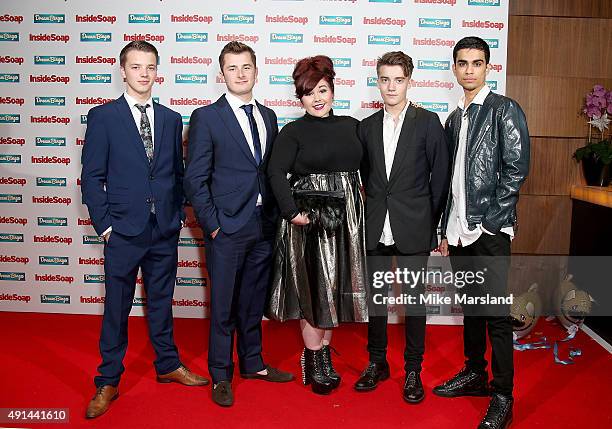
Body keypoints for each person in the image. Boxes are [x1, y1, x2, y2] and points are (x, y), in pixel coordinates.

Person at [81, 41, 208, 419]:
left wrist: (179, 213)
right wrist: (105, 226)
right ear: (123, 71)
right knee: (116, 309)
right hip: (122, 231)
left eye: (150, 67)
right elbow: (91, 178)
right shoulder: (103, 117)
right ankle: (107, 380)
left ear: (157, 71)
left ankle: (168, 363)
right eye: (136, 67)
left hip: (163, 230)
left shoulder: (170, 119)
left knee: (161, 303)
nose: (144, 74)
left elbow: (176, 173)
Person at [184, 41, 293, 408]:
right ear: (222, 74)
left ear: (256, 72)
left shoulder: (269, 116)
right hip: (226, 229)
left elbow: (271, 172)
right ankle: (220, 373)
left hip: (263, 225)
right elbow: (195, 179)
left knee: (252, 301)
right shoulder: (206, 117)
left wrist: (276, 217)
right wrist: (213, 225)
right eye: (232, 68)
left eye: (246, 67)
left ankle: (253, 363)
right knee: (224, 307)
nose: (240, 74)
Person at [435, 36, 530, 429]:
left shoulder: (504, 110)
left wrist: (491, 221)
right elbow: (448, 182)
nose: (469, 69)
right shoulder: (454, 118)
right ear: (455, 69)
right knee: (471, 308)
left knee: (495, 315)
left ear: (488, 67)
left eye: (477, 62)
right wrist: (445, 228)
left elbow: (516, 169)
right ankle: (475, 373)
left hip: (489, 230)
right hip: (458, 230)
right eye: (462, 63)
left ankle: (503, 394)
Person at [267, 55, 369, 395]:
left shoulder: (353, 126)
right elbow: (275, 174)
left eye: (322, 90)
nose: (317, 98)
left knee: (334, 288)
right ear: (300, 98)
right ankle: (313, 359)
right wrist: (291, 211)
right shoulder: (292, 132)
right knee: (313, 291)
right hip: (308, 223)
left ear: (332, 91)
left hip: (346, 223)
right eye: (309, 93)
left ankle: (324, 355)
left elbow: (368, 173)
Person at [354, 51, 450, 403]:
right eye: (384, 79)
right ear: (377, 80)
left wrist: (435, 226)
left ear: (410, 81)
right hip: (375, 225)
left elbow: (440, 179)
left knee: (414, 301)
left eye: (398, 79)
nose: (390, 86)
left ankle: (413, 370)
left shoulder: (428, 122)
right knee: (377, 300)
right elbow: (366, 178)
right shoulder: (365, 127)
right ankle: (377, 362)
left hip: (414, 227)